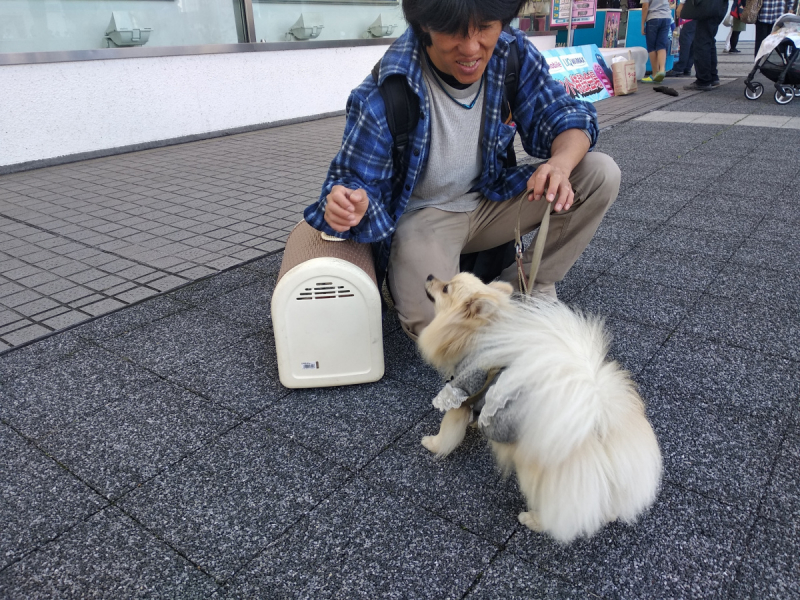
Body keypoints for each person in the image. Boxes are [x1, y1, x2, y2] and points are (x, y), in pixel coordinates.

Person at [304, 0, 621, 339]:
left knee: (599, 173)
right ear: (424, 24)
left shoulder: (512, 53)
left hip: (492, 200)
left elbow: (563, 115)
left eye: (485, 27)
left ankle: (529, 286)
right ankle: (454, 293)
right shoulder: (385, 90)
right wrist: (348, 203)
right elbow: (350, 180)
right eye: (454, 31)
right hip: (425, 219)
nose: (471, 49)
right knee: (436, 327)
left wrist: (559, 164)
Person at [683, 0, 727, 90]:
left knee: (701, 43)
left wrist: (682, 3)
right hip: (720, 7)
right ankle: (712, 76)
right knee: (709, 41)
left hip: (707, 7)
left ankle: (704, 80)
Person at [641, 0, 674, 81]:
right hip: (666, 17)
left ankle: (655, 74)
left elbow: (645, 6)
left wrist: (642, 24)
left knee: (651, 47)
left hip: (653, 17)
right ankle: (662, 70)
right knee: (661, 45)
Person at [666, 0, 697, 76]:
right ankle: (687, 66)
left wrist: (681, 4)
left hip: (689, 14)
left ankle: (680, 67)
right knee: (692, 40)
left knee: (686, 41)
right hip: (698, 13)